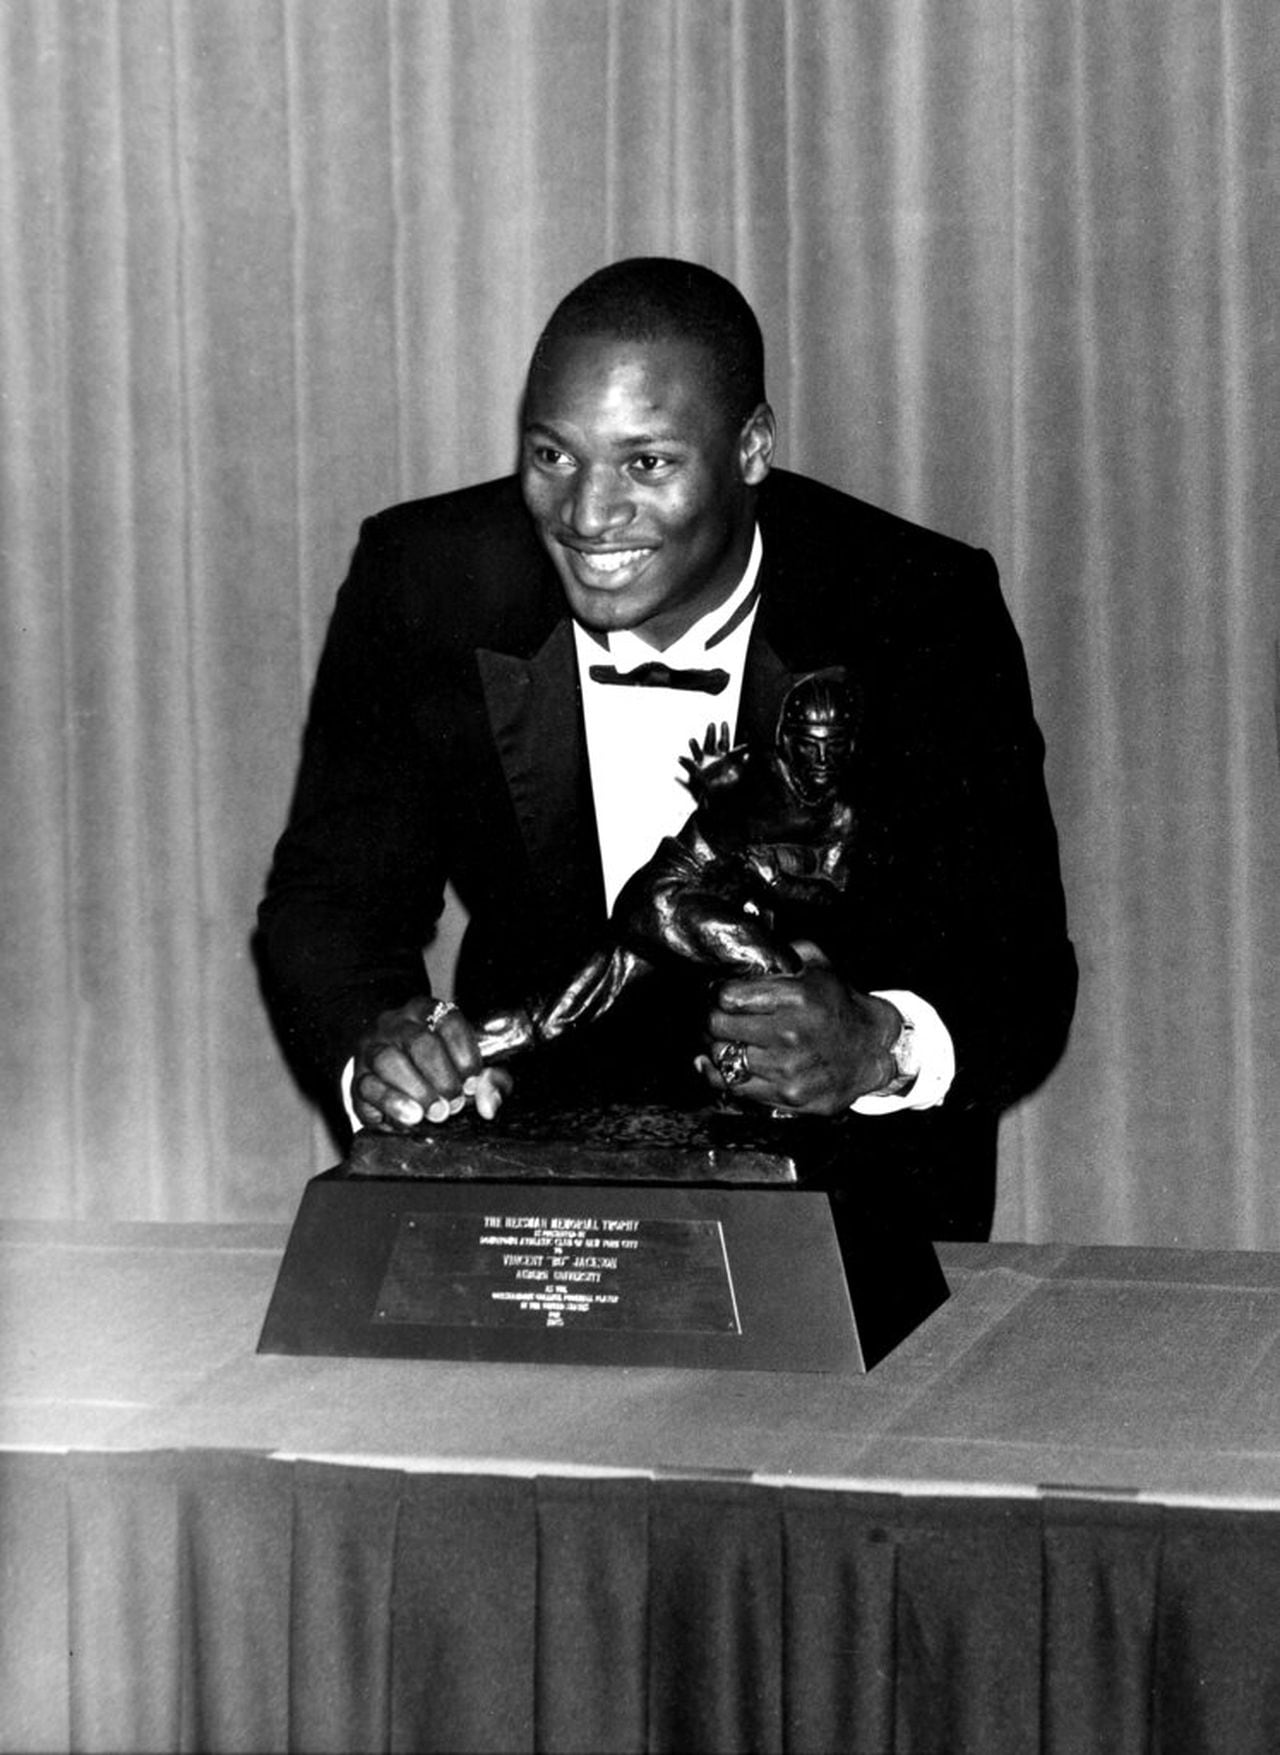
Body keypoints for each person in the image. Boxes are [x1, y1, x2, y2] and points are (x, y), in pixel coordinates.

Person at [258, 257, 1077, 1239]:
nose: (586, 516)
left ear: (750, 448)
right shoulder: (423, 581)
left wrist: (878, 1044)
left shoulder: (915, 607)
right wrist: (376, 1054)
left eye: (646, 463)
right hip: (537, 1210)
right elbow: (328, 902)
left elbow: (1019, 968)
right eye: (553, 455)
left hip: (859, 1215)